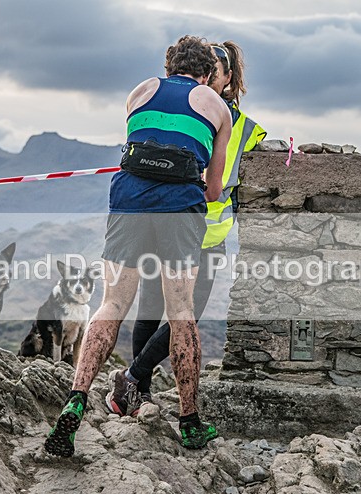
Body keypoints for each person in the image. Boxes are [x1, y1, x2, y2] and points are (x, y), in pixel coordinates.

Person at [43, 35, 232, 456]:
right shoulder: (216, 106)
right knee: (181, 314)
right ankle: (190, 422)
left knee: (111, 305)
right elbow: (215, 189)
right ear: (206, 74)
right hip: (179, 209)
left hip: (128, 202)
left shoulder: (140, 91)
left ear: (168, 69)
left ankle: (74, 402)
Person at [105, 41, 266, 417]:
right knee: (150, 310)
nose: (209, 72)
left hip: (207, 235)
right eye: (207, 65)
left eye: (218, 66)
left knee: (185, 316)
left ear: (227, 79)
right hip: (167, 224)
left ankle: (132, 376)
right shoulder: (181, 110)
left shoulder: (247, 129)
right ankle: (137, 394)